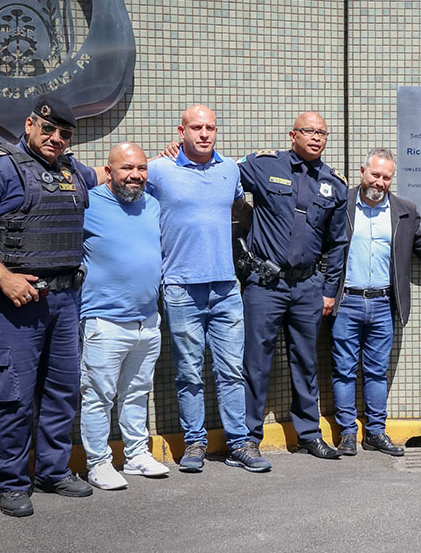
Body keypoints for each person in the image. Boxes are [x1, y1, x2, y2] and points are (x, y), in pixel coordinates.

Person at [0, 95, 101, 517]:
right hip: (14, 304)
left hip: (64, 301)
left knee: (62, 391)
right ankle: (10, 481)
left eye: (64, 133)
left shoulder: (71, 170)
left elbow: (111, 171)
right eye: (49, 129)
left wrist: (169, 155)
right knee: (14, 396)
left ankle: (53, 471)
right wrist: (3, 277)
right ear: (30, 124)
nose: (56, 138)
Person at [149, 105, 270, 474]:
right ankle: (196, 442)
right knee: (188, 371)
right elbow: (123, 179)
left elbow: (238, 209)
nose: (204, 134)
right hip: (180, 287)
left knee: (231, 369)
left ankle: (239, 443)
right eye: (196, 127)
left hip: (225, 287)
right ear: (181, 130)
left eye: (210, 128)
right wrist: (159, 154)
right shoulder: (159, 170)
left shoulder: (229, 169)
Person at [236, 112, 348, 460]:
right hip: (265, 285)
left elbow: (338, 243)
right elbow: (220, 174)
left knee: (306, 362)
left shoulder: (334, 184)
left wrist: (329, 290)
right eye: (309, 131)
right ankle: (249, 437)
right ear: (293, 135)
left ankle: (309, 434)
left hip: (307, 288)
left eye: (322, 133)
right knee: (256, 362)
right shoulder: (263, 166)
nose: (316, 137)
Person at [331, 148, 421, 457]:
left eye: (386, 177)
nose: (380, 181)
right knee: (343, 370)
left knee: (376, 371)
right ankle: (346, 433)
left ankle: (375, 432)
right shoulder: (341, 203)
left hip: (383, 304)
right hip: (347, 302)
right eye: (375, 174)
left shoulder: (403, 210)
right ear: (362, 171)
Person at [79, 143, 169, 490]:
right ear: (109, 170)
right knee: (98, 395)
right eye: (127, 168)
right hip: (104, 320)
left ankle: (136, 455)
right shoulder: (87, 203)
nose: (135, 175)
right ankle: (98, 463)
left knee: (137, 392)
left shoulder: (153, 205)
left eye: (142, 168)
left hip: (147, 321)